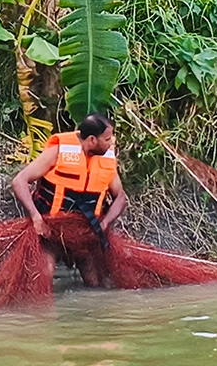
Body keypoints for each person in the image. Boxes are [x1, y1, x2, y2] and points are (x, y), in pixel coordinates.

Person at [11, 113, 129, 287]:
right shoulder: (59, 151)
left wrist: (104, 224)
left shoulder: (106, 158)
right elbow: (19, 181)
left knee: (97, 282)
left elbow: (121, 197)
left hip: (85, 233)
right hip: (50, 230)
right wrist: (36, 218)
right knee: (45, 275)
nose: (111, 143)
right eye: (107, 139)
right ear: (92, 140)